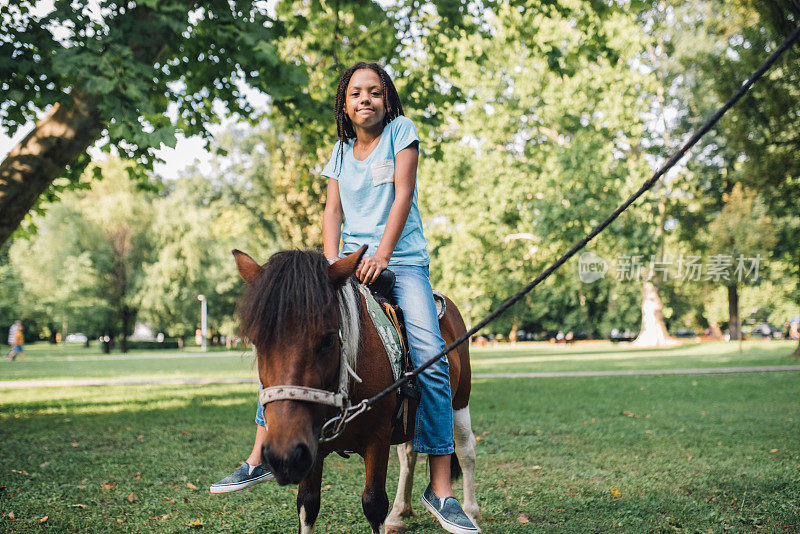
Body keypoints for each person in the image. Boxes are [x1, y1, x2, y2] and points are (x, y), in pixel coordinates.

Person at [211, 62, 478, 534]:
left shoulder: (402, 132)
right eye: (356, 93)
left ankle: (441, 490)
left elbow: (403, 196)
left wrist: (383, 254)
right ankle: (257, 456)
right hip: (348, 266)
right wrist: (328, 269)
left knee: (433, 359)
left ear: (386, 98)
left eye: (374, 92)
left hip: (402, 264)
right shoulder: (339, 152)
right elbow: (331, 211)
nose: (365, 100)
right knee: (288, 340)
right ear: (345, 102)